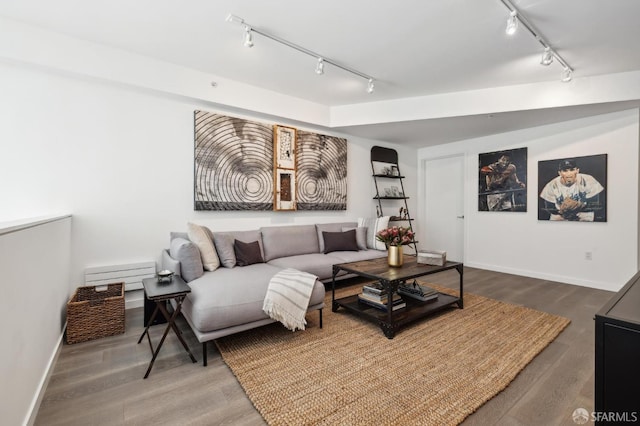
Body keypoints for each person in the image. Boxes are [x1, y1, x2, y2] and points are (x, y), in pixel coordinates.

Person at [539, 159, 604, 221]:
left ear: (577, 170)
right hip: (560, 216)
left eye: (572, 170)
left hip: (583, 214)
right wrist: (563, 211)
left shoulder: (588, 180)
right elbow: (549, 208)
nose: (569, 173)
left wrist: (579, 205)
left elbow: (595, 204)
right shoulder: (552, 185)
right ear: (560, 173)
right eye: (565, 171)